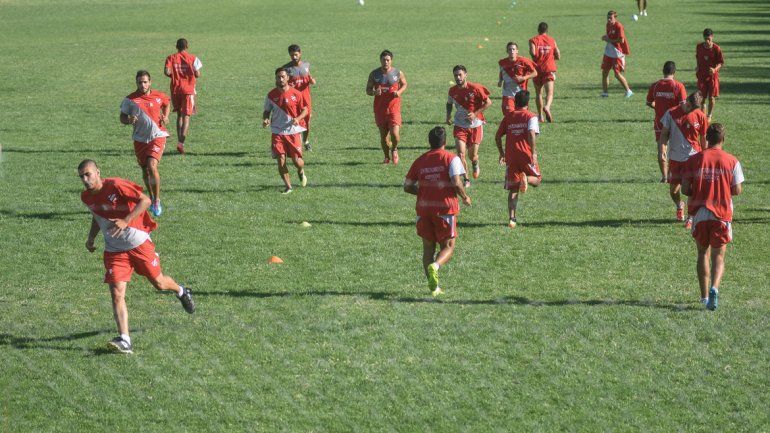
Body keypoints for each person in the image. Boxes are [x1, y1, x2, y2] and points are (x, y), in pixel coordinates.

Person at [78, 159, 195, 354]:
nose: (85, 179)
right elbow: (97, 216)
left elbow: (146, 201)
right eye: (81, 176)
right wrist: (91, 238)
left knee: (159, 283)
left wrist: (126, 220)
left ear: (98, 172)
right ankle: (125, 339)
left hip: (138, 243)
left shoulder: (115, 185)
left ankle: (182, 291)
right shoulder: (86, 197)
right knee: (116, 292)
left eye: (88, 174)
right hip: (114, 249)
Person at [681, 123, 744, 310]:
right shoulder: (732, 161)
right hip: (722, 214)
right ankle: (715, 287)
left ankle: (704, 297)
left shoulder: (694, 160)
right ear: (723, 139)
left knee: (702, 253)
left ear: (707, 138)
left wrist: (699, 189)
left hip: (700, 213)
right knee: (718, 257)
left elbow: (685, 188)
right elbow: (738, 190)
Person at [404, 126, 471, 296]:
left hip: (423, 210)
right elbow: (456, 182)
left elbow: (407, 186)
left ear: (429, 142)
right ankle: (436, 266)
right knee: (448, 246)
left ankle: (434, 288)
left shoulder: (420, 160)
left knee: (428, 249)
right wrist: (464, 197)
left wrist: (424, 192)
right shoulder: (450, 158)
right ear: (445, 142)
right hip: (444, 209)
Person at [120, 70, 170, 217]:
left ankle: (157, 200)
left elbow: (167, 103)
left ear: (150, 82)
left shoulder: (159, 96)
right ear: (136, 83)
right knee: (144, 169)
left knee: (151, 166)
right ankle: (151, 196)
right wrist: (128, 120)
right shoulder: (129, 100)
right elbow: (122, 117)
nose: (143, 85)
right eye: (140, 82)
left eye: (145, 82)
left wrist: (166, 117)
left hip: (158, 135)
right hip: (140, 139)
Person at [658, 91, 708, 227]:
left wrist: (706, 156)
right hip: (675, 159)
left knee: (691, 188)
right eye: (691, 107)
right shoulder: (671, 113)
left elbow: (703, 139)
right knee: (674, 190)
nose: (692, 110)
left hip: (694, 158)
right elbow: (664, 135)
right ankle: (679, 204)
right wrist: (662, 149)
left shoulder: (700, 116)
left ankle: (691, 218)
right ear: (687, 101)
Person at [494, 90, 541, 228]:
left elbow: (497, 137)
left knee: (513, 189)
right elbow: (531, 134)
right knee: (537, 180)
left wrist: (502, 153)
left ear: (515, 102)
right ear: (528, 102)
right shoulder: (531, 116)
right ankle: (525, 178)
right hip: (525, 155)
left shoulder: (508, 116)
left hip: (511, 156)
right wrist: (533, 153)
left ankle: (512, 219)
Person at [263, 67, 309, 194]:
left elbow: (305, 110)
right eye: (278, 77)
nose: (281, 79)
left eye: (283, 76)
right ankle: (288, 187)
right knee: (280, 159)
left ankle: (301, 171)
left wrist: (298, 118)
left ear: (288, 78)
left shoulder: (296, 94)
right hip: (277, 131)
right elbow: (266, 111)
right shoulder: (271, 95)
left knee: (297, 162)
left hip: (293, 131)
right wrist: (266, 119)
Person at [446, 65, 493, 187]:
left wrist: (475, 114)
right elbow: (449, 103)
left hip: (475, 126)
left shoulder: (475, 88)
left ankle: (475, 163)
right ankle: (466, 179)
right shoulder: (452, 90)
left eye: (460, 74)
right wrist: (448, 116)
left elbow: (488, 102)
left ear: (466, 74)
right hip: (459, 126)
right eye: (456, 75)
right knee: (461, 154)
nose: (458, 77)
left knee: (472, 156)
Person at [366, 50, 407, 164]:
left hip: (394, 109)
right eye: (383, 60)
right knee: (384, 138)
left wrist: (399, 92)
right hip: (380, 110)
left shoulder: (397, 73)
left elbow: (404, 84)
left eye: (388, 60)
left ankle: (394, 148)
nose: (386, 62)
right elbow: (368, 90)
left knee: (395, 135)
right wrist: (374, 92)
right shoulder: (374, 74)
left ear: (391, 61)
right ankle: (386, 157)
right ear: (380, 60)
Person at [164, 38, 202, 154]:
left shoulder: (170, 58)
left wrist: (176, 76)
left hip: (176, 89)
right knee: (187, 116)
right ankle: (181, 143)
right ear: (187, 46)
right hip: (188, 90)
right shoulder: (193, 58)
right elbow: (198, 74)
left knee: (179, 115)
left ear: (176, 46)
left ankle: (179, 140)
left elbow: (167, 72)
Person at [646, 61, 687, 149]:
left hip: (660, 122)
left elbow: (649, 102)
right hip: (675, 123)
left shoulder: (655, 86)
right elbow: (683, 106)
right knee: (676, 151)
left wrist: (658, 107)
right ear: (674, 72)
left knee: (661, 151)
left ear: (663, 71)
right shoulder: (679, 86)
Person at [283, 44, 316, 150]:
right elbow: (283, 85)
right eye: (292, 55)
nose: (294, 57)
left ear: (300, 53)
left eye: (296, 54)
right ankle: (292, 144)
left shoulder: (306, 65)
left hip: (306, 99)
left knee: (307, 122)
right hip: (294, 101)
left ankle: (306, 141)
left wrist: (312, 80)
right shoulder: (286, 69)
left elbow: (310, 78)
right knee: (293, 122)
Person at [529, 23, 560, 122]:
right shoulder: (552, 40)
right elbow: (558, 55)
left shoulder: (533, 40)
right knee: (549, 93)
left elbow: (533, 53)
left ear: (538, 30)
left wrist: (537, 57)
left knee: (538, 93)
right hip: (549, 69)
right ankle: (547, 106)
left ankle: (540, 116)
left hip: (537, 70)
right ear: (547, 30)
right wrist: (551, 57)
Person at [498, 42, 538, 116]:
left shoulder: (524, 61)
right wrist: (500, 80)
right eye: (510, 49)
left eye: (513, 49)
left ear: (517, 51)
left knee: (522, 115)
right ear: (507, 51)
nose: (512, 51)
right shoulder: (502, 62)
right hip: (508, 94)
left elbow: (535, 73)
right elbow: (502, 71)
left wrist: (523, 78)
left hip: (521, 93)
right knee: (509, 115)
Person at [600, 10, 633, 98]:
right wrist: (605, 37)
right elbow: (610, 36)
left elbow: (621, 40)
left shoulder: (619, 26)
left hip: (617, 52)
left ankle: (628, 91)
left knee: (617, 74)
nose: (609, 20)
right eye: (608, 18)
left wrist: (609, 40)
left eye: (611, 18)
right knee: (604, 72)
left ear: (615, 18)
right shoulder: (608, 25)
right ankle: (605, 93)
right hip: (608, 51)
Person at [696, 28, 724, 120]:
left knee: (711, 97)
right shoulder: (699, 47)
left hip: (712, 77)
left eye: (709, 39)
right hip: (702, 76)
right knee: (702, 97)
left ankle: (709, 115)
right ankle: (703, 117)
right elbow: (698, 58)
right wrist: (697, 67)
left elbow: (720, 63)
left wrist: (715, 69)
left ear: (712, 37)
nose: (707, 41)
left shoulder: (716, 48)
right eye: (705, 39)